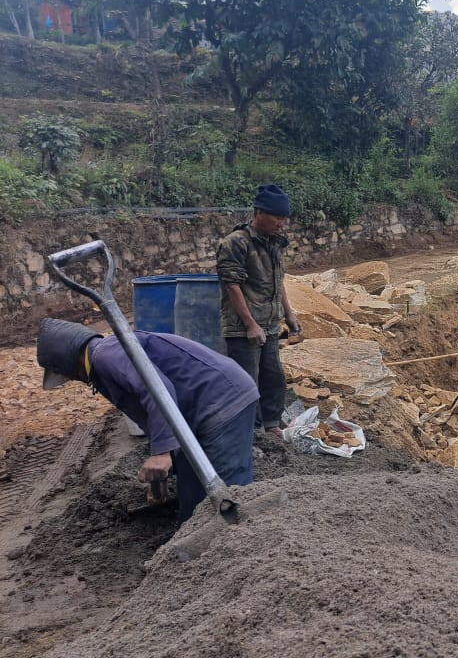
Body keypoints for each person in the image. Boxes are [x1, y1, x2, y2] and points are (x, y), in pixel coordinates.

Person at [36, 318, 259, 523]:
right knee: (192, 497)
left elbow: (160, 391)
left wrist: (161, 454)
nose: (76, 380)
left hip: (222, 400)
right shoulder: (103, 361)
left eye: (70, 376)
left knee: (225, 496)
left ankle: (245, 540)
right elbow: (151, 414)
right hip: (199, 410)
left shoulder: (107, 354)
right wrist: (159, 478)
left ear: (68, 363)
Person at [217, 184, 301, 437]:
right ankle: (251, 433)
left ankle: (271, 424)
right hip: (244, 329)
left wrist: (289, 313)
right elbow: (232, 285)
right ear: (260, 213)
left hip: (270, 324)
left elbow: (278, 281)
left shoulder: (273, 243)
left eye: (284, 218)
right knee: (246, 383)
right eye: (277, 217)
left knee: (273, 378)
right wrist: (250, 324)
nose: (281, 223)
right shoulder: (235, 243)